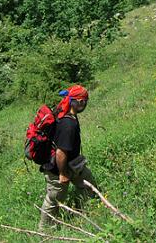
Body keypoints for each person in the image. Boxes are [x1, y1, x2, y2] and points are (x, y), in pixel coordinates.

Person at [39, 85, 96, 229]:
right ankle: (45, 230)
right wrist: (63, 174)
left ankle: (89, 212)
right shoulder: (68, 124)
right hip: (58, 169)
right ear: (77, 101)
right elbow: (60, 152)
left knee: (89, 184)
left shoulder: (66, 114)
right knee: (54, 200)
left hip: (73, 164)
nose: (85, 104)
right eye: (83, 101)